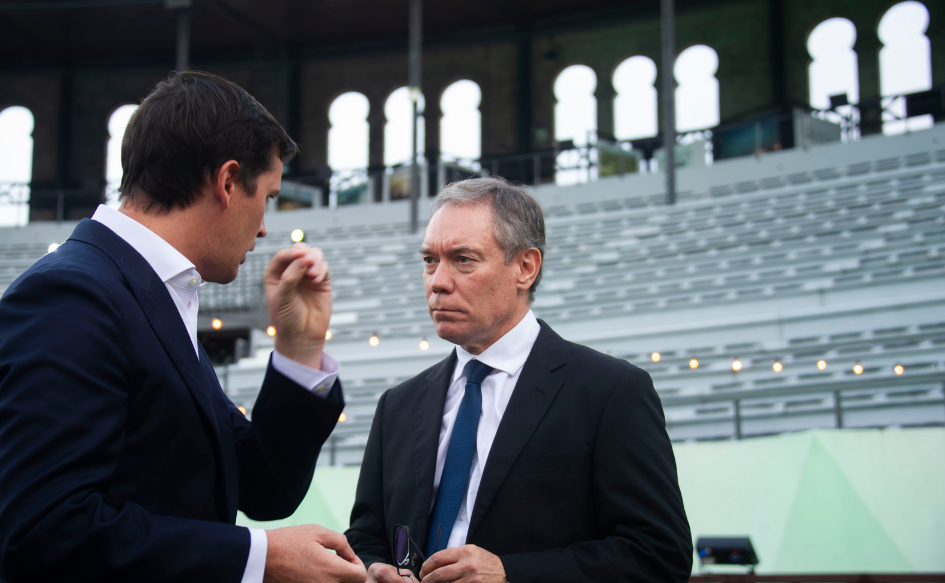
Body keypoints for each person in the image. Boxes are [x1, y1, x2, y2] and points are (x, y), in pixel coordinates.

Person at [0, 71, 367, 583]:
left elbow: (262, 487)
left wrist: (299, 349)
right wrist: (260, 558)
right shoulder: (72, 295)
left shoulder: (148, 290)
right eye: (267, 198)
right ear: (227, 182)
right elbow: (45, 530)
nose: (264, 227)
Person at [346, 177, 692, 583]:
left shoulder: (610, 392)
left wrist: (511, 574)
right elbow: (366, 537)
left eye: (463, 259)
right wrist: (374, 569)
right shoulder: (397, 406)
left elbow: (659, 554)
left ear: (525, 267)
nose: (438, 281)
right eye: (429, 260)